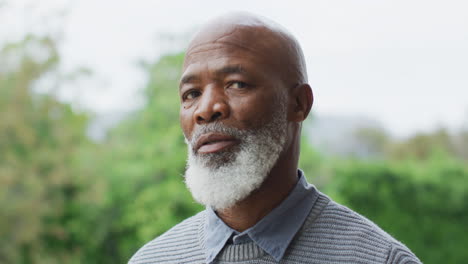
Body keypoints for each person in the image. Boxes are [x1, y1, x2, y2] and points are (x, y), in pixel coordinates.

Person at [129, 12, 421, 264]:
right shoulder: (152, 259)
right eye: (191, 94)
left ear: (298, 104)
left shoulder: (379, 258)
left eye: (237, 84)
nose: (206, 109)